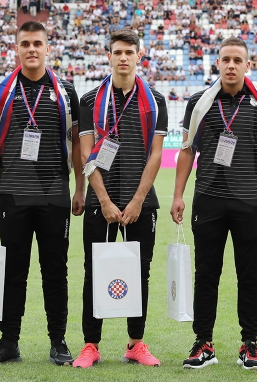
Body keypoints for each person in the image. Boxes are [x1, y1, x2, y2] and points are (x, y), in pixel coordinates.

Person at [170, 37, 257, 370]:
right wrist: (179, 195)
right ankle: (202, 343)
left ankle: (250, 343)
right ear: (217, 64)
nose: (232, 65)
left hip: (250, 202)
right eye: (226, 59)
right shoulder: (199, 101)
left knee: (250, 275)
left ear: (248, 65)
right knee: (206, 273)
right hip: (207, 200)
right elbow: (186, 150)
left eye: (238, 60)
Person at [0, 21, 83, 367]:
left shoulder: (65, 92)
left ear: (47, 48)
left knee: (56, 270)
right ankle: (9, 342)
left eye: (38, 43)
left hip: (55, 196)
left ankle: (58, 341)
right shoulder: (4, 92)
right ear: (17, 48)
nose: (32, 49)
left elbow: (78, 146)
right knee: (14, 272)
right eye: (26, 43)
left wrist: (80, 187)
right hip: (12, 196)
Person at [73, 29, 167, 369]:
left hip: (141, 202)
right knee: (93, 272)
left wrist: (139, 199)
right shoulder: (89, 100)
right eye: (117, 52)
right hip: (102, 202)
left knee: (139, 272)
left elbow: (156, 154)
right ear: (108, 56)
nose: (123, 57)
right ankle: (90, 345)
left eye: (129, 51)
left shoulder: (156, 100)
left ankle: (135, 343)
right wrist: (105, 200)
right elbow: (87, 156)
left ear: (139, 56)